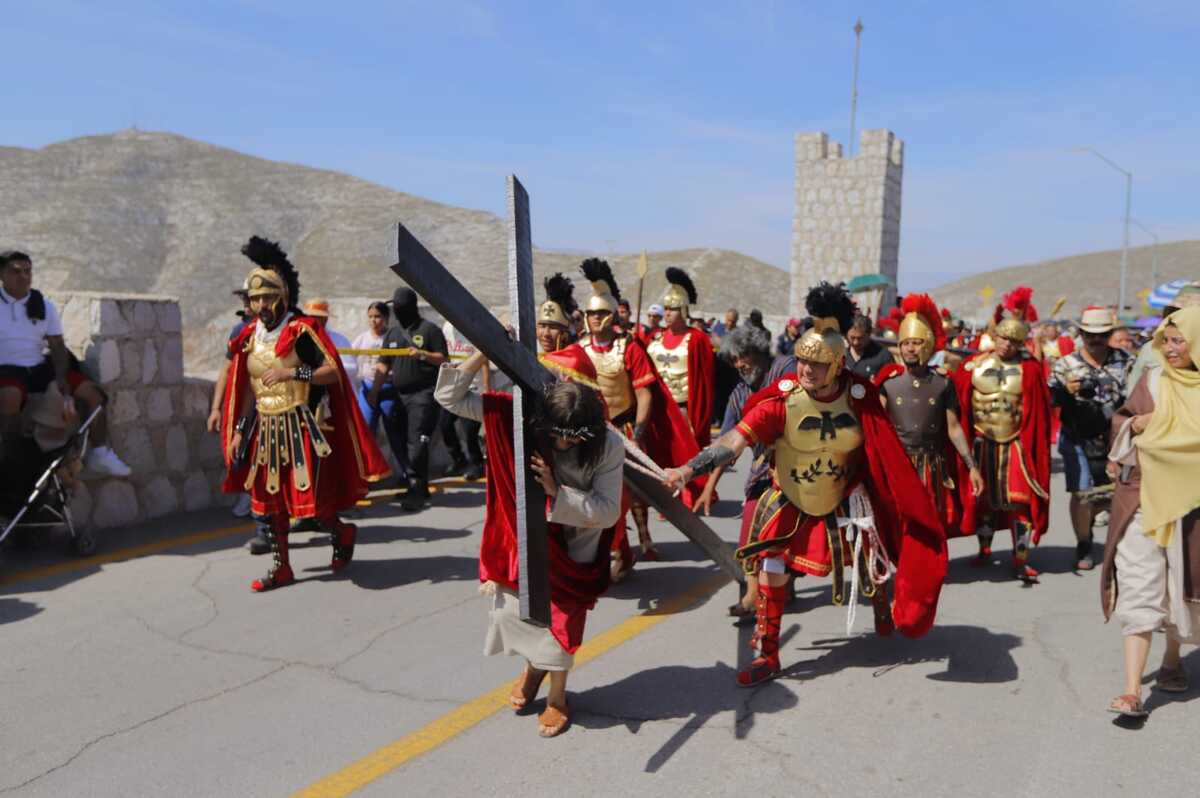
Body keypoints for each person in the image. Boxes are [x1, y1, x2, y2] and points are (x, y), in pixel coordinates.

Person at [663, 282, 947, 686]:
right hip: (791, 494)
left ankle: (883, 601)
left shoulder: (860, 397)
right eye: (801, 361)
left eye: (816, 364)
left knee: (874, 553)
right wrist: (688, 470)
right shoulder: (781, 401)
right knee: (771, 567)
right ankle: (769, 652)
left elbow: (882, 450)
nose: (805, 370)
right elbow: (733, 441)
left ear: (837, 365)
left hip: (847, 494)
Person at [435, 353, 623, 737]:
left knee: (562, 622)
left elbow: (607, 512)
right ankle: (533, 668)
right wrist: (481, 355)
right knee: (520, 612)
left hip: (575, 545)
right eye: (558, 435)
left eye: (575, 437)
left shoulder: (609, 445)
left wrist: (558, 493)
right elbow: (450, 399)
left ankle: (558, 698)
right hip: (525, 537)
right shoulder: (521, 419)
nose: (565, 443)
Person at [220, 237, 389, 591]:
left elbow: (332, 372)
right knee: (271, 503)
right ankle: (282, 568)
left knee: (313, 504)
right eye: (255, 299)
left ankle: (341, 532)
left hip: (300, 424)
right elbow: (250, 390)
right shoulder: (250, 337)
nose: (261, 304)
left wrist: (292, 373)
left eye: (266, 297)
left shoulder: (300, 332)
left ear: (281, 296)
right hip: (265, 427)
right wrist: (239, 430)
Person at [1100, 306, 1200, 717]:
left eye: (1179, 340)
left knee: (1180, 582)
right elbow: (1122, 421)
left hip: (1192, 506)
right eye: (1167, 340)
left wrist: (1167, 423)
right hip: (1142, 496)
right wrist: (1136, 424)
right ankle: (1131, 690)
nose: (1170, 348)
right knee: (1141, 582)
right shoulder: (1153, 378)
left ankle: (1172, 659)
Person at [574, 258, 701, 575]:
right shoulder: (578, 349)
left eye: (602, 313)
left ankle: (629, 546)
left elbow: (645, 393)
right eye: (591, 314)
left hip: (623, 429)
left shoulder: (628, 348)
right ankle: (601, 549)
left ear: (613, 314)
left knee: (627, 492)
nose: (595, 319)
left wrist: (639, 431)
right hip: (589, 431)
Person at [952, 288, 1052, 582]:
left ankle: (1020, 558)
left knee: (1018, 502)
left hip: (1016, 442)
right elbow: (958, 404)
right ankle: (984, 550)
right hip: (982, 441)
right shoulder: (973, 366)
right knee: (984, 501)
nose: (1007, 344)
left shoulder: (1030, 370)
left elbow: (1039, 411)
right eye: (1003, 338)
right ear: (994, 336)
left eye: (1014, 340)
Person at [0, 251, 129, 478]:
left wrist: (61, 377)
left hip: (39, 366)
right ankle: (13, 458)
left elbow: (57, 345)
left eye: (28, 271)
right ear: (2, 274)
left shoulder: (43, 305)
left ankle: (100, 453)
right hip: (7, 369)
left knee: (95, 395)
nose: (23, 277)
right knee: (9, 398)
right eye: (15, 271)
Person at [698, 324, 794, 619]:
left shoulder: (784, 369)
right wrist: (708, 486)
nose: (740, 365)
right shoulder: (739, 395)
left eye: (744, 357)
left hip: (799, 470)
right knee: (749, 537)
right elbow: (726, 444)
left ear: (758, 352)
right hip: (762, 473)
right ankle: (754, 596)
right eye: (734, 360)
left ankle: (773, 592)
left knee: (787, 543)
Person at [875, 294, 983, 539]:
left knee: (932, 524)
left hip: (933, 466)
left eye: (916, 342)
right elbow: (876, 427)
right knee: (899, 522)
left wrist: (972, 466)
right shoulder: (888, 384)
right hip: (899, 464)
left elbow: (954, 429)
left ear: (927, 345)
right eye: (905, 343)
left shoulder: (943, 383)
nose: (909, 348)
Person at [1050, 306, 1131, 570]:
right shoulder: (1064, 365)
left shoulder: (1126, 361)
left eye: (1102, 334)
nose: (1095, 339)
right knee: (1082, 493)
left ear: (1109, 333)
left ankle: (1120, 544)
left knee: (1119, 493)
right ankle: (1084, 542)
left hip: (1117, 437)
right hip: (1077, 436)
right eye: (1090, 334)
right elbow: (1048, 399)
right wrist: (1065, 391)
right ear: (1081, 334)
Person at [369, 287, 448, 512]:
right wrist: (374, 391)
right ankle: (412, 481)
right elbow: (384, 364)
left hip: (423, 395)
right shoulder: (393, 334)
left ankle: (418, 489)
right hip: (398, 396)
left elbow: (443, 358)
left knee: (417, 442)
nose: (397, 312)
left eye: (399, 308)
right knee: (402, 440)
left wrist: (423, 354)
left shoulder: (430, 330)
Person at [646, 268, 716, 447]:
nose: (667, 313)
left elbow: (704, 383)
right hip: (656, 409)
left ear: (684, 310)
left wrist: (698, 420)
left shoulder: (696, 339)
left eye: (673, 309)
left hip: (683, 409)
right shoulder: (655, 337)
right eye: (666, 309)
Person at [441, 319, 487, 480]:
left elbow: (484, 361)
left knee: (469, 431)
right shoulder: (447, 327)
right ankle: (458, 459)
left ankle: (477, 465)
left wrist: (487, 391)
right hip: (456, 386)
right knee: (444, 423)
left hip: (474, 387)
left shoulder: (473, 327)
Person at [302, 299, 357, 387]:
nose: (310, 321)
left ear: (325, 319)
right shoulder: (298, 340)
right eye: (307, 317)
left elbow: (352, 369)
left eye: (314, 317)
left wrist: (325, 371)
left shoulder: (339, 340)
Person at [845, 313, 894, 379]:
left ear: (869, 334)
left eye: (860, 338)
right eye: (852, 338)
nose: (856, 342)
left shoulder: (883, 356)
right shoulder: (840, 354)